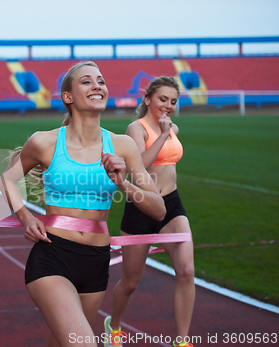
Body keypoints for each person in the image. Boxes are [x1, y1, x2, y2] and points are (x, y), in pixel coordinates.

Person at [0, 61, 166, 347]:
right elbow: (7, 178)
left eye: (100, 81)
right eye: (87, 82)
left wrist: (123, 183)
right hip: (53, 256)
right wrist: (26, 216)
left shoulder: (122, 145)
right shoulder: (44, 142)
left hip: (96, 262)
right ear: (68, 97)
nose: (97, 86)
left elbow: (158, 209)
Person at [104, 76, 195, 347]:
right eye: (163, 99)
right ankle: (115, 326)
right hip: (142, 207)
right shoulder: (137, 127)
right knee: (131, 281)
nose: (168, 106)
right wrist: (164, 135)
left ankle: (182, 342)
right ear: (148, 100)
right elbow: (137, 166)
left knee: (187, 271)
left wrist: (169, 131)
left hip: (171, 206)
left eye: (173, 101)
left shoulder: (173, 127)